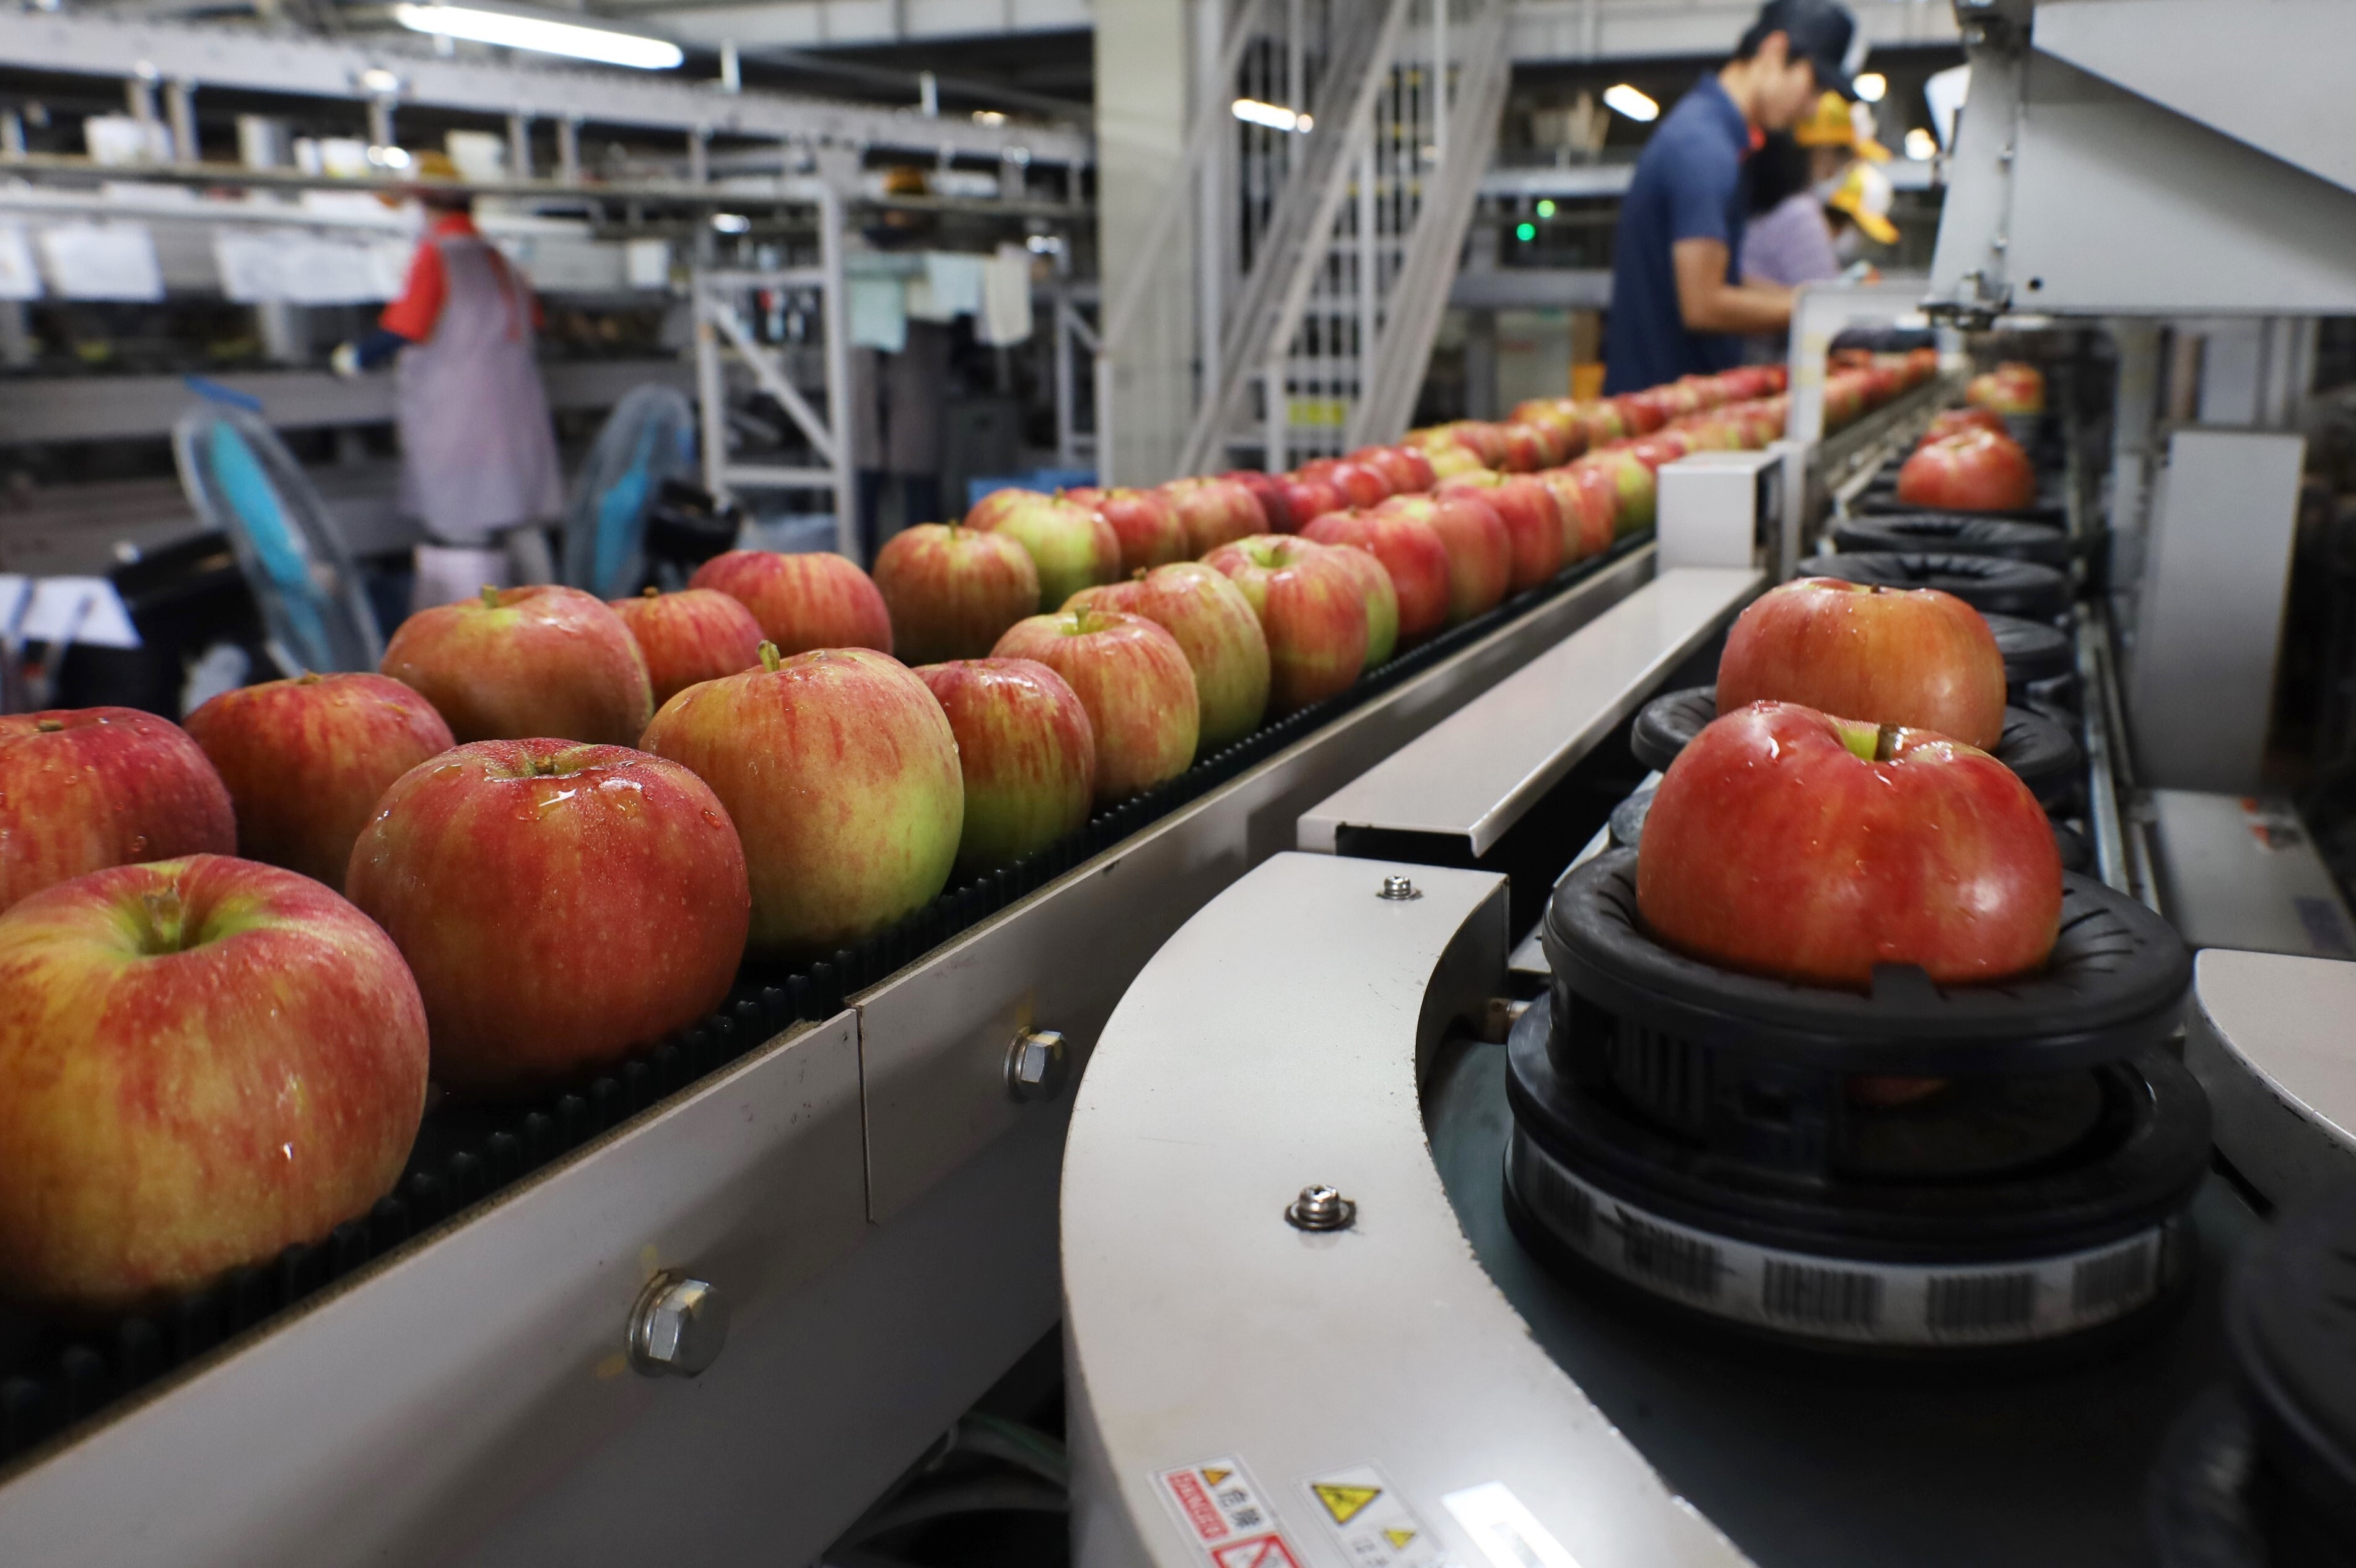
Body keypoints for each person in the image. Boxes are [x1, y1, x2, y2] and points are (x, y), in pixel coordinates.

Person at [333, 150, 563, 609]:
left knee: (466, 531)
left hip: (460, 426)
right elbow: (534, 323)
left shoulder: (438, 256)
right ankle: (558, 612)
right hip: (514, 423)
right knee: (521, 523)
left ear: (427, 206)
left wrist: (352, 358)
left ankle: (471, 637)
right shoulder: (501, 261)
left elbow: (404, 327)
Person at [1603, 0, 1860, 394]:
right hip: (1658, 412)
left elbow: (1717, 273)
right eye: (1814, 87)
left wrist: (1805, 298)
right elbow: (1703, 302)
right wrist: (1815, 310)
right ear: (1775, 52)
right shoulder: (1704, 148)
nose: (1812, 107)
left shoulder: (1717, 137)